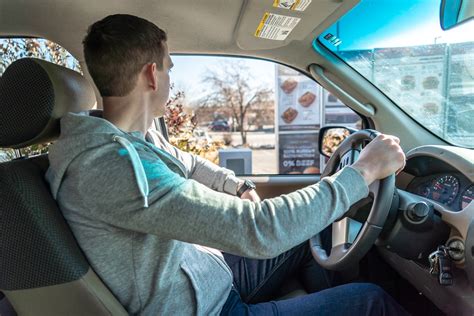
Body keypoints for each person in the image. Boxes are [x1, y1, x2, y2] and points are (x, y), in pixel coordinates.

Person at [46, 14, 407, 315]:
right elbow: (258, 231)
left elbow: (188, 163)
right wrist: (362, 173)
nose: (170, 80)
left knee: (314, 232)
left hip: (207, 278)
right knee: (371, 301)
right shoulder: (115, 166)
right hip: (208, 309)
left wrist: (240, 186)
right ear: (152, 75)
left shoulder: (129, 140)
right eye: (169, 70)